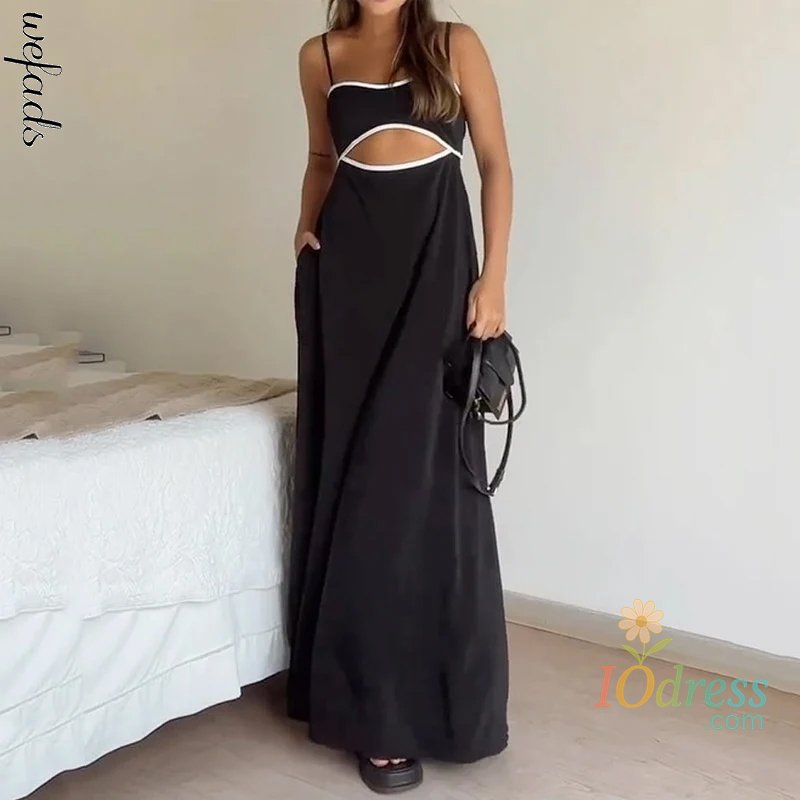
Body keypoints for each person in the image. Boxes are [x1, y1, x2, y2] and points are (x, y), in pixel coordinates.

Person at [287, 0, 513, 793]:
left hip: (438, 262)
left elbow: (495, 162)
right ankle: (371, 710)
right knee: (356, 474)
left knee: (421, 478)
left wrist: (494, 278)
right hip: (346, 273)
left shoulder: (454, 43)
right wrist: (304, 230)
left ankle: (440, 701)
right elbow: (322, 157)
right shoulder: (320, 54)